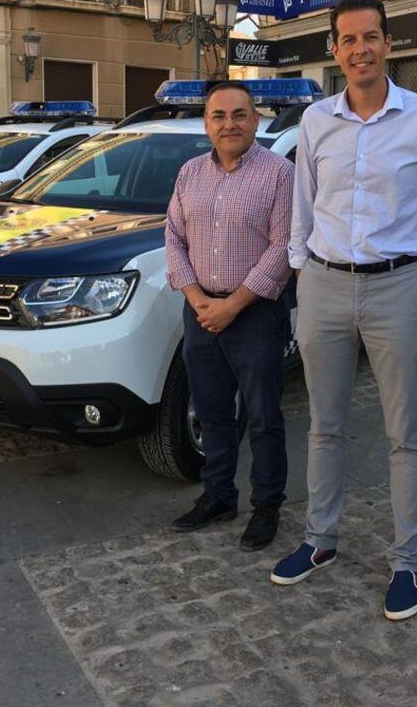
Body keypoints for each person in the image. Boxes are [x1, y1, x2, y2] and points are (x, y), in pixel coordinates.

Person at [270, 0, 417, 622]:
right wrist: (302, 278)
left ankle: (407, 561)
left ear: (389, 44)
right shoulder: (314, 121)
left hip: (398, 289)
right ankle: (320, 540)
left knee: (404, 433)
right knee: (324, 424)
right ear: (334, 49)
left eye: (371, 38)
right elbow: (303, 204)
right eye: (348, 39)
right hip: (323, 285)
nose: (360, 49)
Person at [164, 81, 295, 551]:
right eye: (219, 116)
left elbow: (284, 246)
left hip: (255, 313)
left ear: (255, 120)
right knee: (213, 411)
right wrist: (199, 300)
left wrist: (233, 304)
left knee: (262, 415)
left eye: (239, 114)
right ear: (206, 123)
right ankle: (218, 495)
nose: (229, 124)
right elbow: (173, 239)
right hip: (200, 312)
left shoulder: (280, 174)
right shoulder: (189, 174)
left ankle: (266, 505)